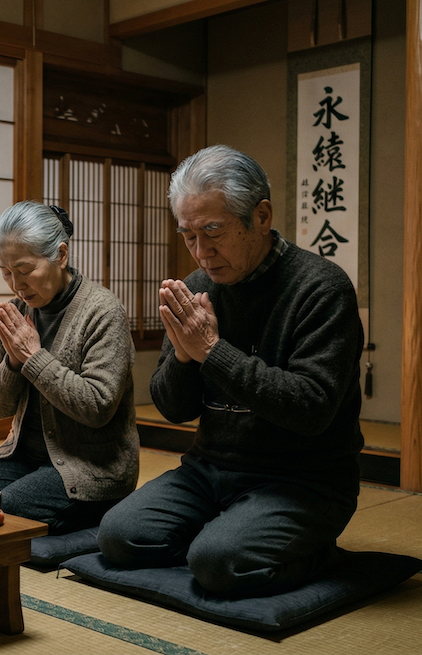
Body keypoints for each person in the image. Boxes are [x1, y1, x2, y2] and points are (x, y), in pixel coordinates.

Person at [97, 145, 365, 598]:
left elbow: (311, 409)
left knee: (217, 564)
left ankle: (308, 552)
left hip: (303, 479)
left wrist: (212, 351)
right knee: (119, 535)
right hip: (210, 470)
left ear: (261, 217)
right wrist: (185, 357)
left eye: (213, 231)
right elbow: (172, 408)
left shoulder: (322, 288)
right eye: (188, 235)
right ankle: (227, 535)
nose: (201, 252)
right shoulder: (198, 288)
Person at [0, 201, 140, 535]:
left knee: (8, 509)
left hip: (89, 466)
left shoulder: (103, 312)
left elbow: (98, 407)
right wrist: (13, 362)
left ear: (60, 255)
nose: (16, 284)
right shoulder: (18, 311)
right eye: (5, 272)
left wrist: (33, 357)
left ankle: (100, 514)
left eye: (25, 271)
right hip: (24, 457)